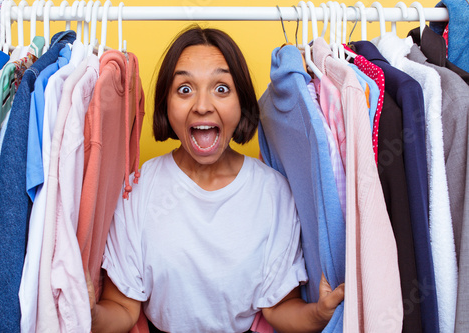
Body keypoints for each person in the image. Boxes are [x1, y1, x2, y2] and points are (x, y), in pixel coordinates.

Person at [89, 25, 344, 333]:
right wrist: (89, 313)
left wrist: (318, 314)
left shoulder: (273, 191)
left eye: (221, 88)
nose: (202, 106)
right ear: (165, 103)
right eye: (184, 89)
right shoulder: (137, 188)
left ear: (242, 102)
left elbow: (278, 307)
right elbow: (123, 307)